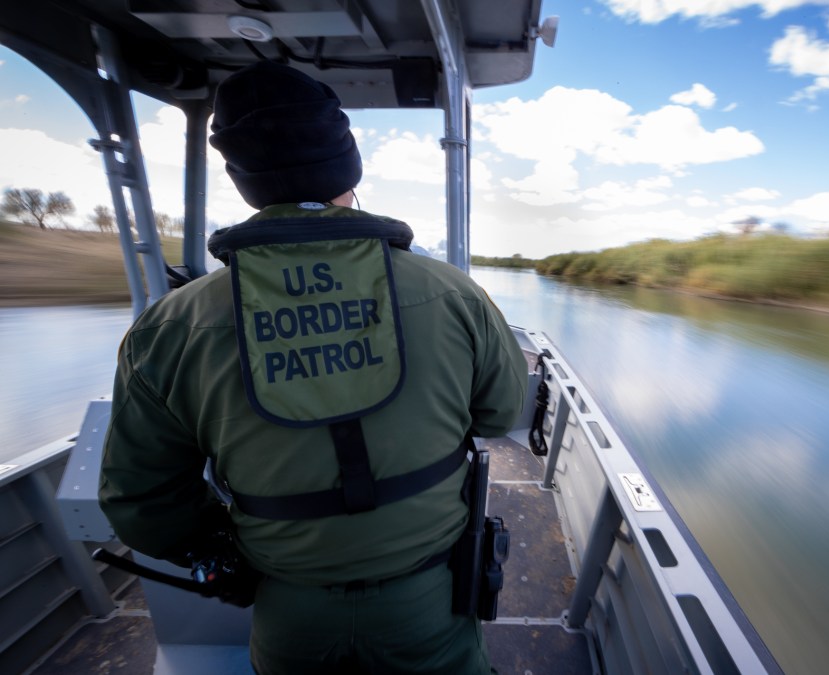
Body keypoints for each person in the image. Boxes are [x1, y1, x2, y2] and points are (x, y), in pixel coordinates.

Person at [99, 60, 529, 674]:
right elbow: (502, 410)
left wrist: (220, 542)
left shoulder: (169, 326)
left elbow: (140, 499)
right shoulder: (450, 293)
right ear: (348, 167)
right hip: (429, 598)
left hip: (286, 607)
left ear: (246, 181)